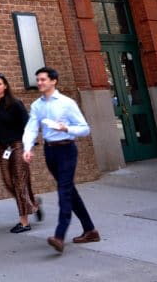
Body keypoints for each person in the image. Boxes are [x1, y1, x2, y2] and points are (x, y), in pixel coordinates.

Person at [23, 66, 101, 253]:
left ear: (53, 81)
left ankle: (59, 235)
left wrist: (65, 129)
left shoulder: (67, 103)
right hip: (50, 152)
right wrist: (27, 148)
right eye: (38, 79)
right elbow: (31, 128)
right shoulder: (37, 105)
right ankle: (90, 230)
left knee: (64, 191)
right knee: (70, 192)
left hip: (67, 149)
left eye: (43, 79)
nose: (39, 83)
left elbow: (84, 128)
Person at [0, 73, 41, 233]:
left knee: (19, 182)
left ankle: (24, 222)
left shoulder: (15, 104)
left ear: (5, 86)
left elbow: (28, 125)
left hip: (18, 146)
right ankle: (33, 204)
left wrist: (29, 147)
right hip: (3, 148)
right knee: (8, 182)